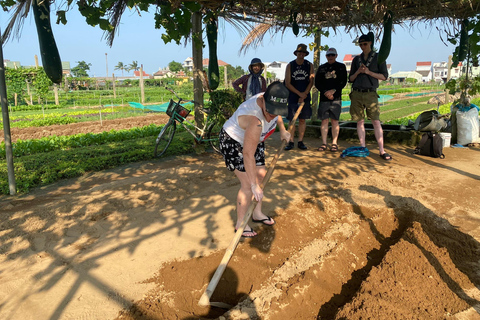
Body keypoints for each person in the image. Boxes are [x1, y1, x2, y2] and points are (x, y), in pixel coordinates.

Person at [219, 81, 291, 238]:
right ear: (263, 100)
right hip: (234, 141)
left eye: (276, 111)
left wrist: (283, 130)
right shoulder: (255, 120)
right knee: (247, 183)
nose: (272, 115)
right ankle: (241, 224)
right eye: (269, 111)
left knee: (261, 176)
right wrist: (253, 185)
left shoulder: (273, 101)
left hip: (255, 139)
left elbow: (276, 115)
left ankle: (257, 213)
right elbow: (247, 154)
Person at [348, 34, 392, 161]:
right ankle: (362, 147)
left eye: (365, 44)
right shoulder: (356, 60)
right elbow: (350, 79)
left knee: (376, 121)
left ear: (370, 43)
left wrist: (368, 72)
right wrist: (358, 72)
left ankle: (381, 150)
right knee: (359, 121)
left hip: (370, 93)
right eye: (361, 45)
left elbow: (384, 76)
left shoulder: (379, 58)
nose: (363, 47)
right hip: (356, 93)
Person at [314, 47, 348, 152]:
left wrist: (333, 91)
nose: (330, 57)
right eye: (329, 55)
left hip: (336, 98)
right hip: (324, 98)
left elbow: (343, 81)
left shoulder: (341, 67)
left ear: (336, 56)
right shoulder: (321, 68)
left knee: (335, 121)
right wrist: (326, 92)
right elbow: (317, 83)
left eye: (332, 55)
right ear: (326, 56)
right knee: (324, 121)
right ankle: (324, 143)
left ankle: (334, 143)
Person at [284, 43, 315, 150]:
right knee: (292, 119)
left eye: (303, 52)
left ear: (305, 54)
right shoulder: (290, 65)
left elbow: (311, 81)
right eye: (299, 52)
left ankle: (300, 141)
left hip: (305, 95)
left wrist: (304, 94)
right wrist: (299, 94)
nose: (301, 54)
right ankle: (291, 141)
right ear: (296, 53)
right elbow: (287, 83)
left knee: (302, 119)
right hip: (293, 95)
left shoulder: (309, 65)